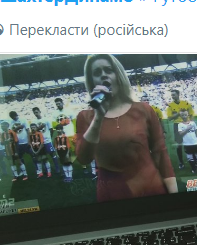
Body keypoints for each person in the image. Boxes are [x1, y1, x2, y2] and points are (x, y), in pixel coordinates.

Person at [75, 54, 178, 201]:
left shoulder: (144, 110)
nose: (103, 75)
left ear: (118, 74)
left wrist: (175, 197)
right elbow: (83, 158)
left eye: (108, 70)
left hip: (151, 189)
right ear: (92, 81)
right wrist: (98, 117)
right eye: (97, 73)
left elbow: (160, 153)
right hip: (112, 194)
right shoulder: (85, 117)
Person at [166, 88, 195, 170]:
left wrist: (191, 123)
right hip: (177, 125)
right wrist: (179, 113)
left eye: (174, 95)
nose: (172, 96)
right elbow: (169, 118)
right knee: (179, 145)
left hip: (187, 124)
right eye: (171, 95)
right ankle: (181, 162)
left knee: (190, 143)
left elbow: (191, 114)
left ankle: (193, 160)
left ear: (178, 95)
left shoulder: (186, 103)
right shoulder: (170, 106)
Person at [32, 106, 61, 174]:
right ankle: (46, 169)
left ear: (40, 111)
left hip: (47, 141)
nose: (36, 114)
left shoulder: (46, 120)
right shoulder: (34, 121)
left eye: (37, 112)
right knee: (42, 156)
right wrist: (40, 128)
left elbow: (51, 130)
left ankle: (57, 168)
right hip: (39, 142)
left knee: (52, 154)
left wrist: (49, 137)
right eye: (34, 113)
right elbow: (34, 132)